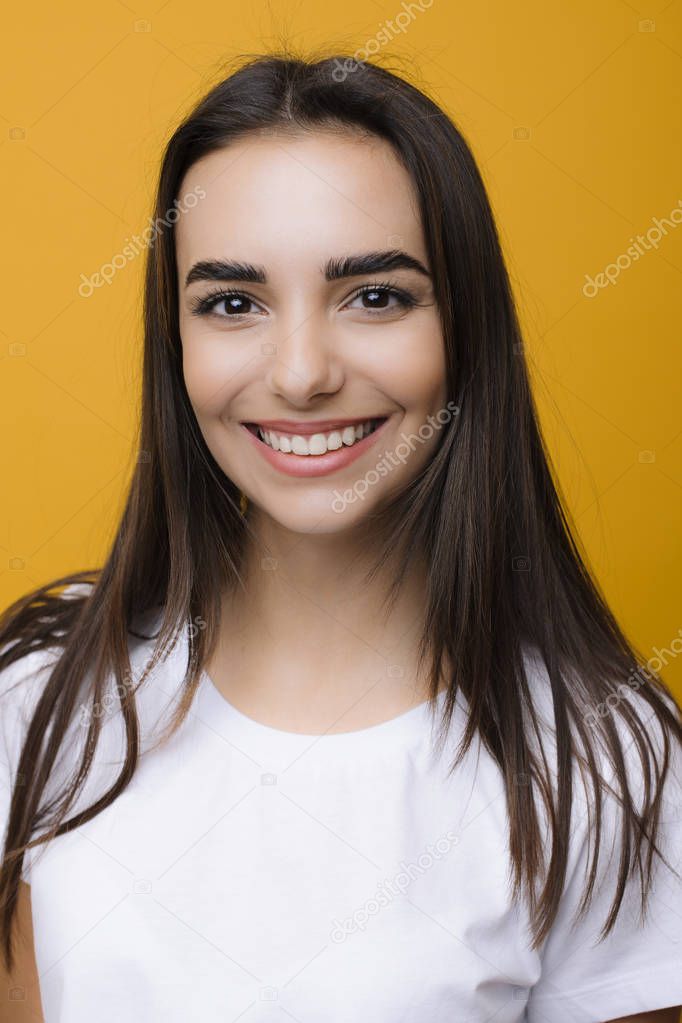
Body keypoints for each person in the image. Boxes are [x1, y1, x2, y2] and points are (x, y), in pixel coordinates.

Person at [1, 50, 681, 1023]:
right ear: (177, 342)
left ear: (465, 330)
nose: (302, 372)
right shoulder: (43, 691)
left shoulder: (602, 761)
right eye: (233, 303)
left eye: (375, 295)